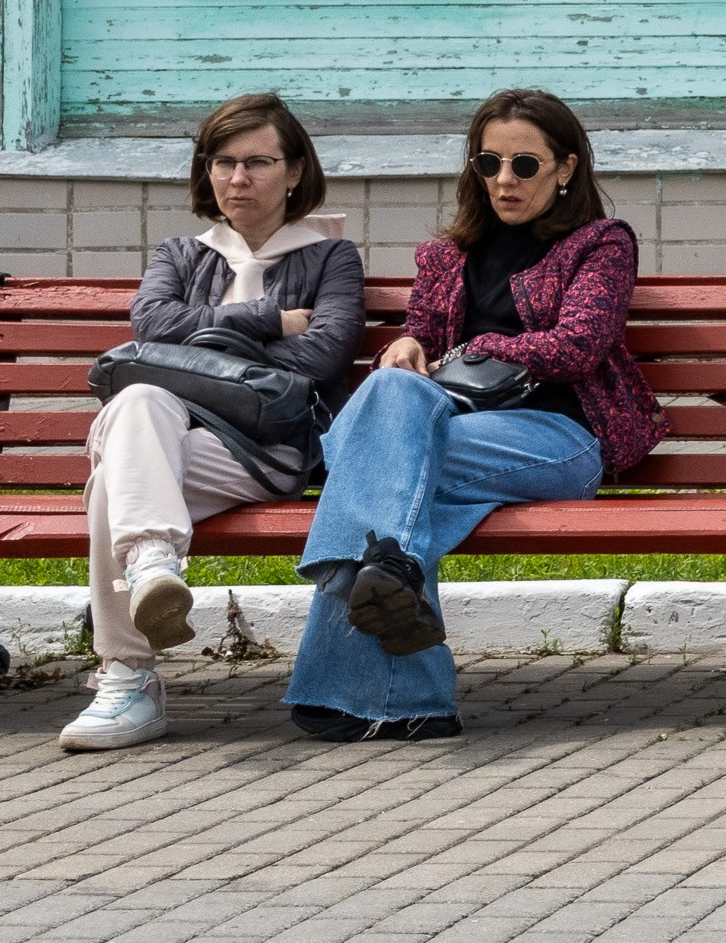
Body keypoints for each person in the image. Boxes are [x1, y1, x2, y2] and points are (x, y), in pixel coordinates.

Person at [285, 88, 667, 741]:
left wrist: (479, 347)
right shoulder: (446, 254)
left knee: (377, 461)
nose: (503, 180)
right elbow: (422, 336)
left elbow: (579, 346)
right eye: (488, 163)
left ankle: (351, 683)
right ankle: (415, 690)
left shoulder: (599, 244)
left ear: (566, 167)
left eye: (524, 165)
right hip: (453, 429)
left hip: (558, 436)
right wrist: (405, 346)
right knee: (397, 432)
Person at [59, 94, 367, 752]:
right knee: (137, 413)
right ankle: (151, 571)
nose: (237, 177)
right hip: (172, 445)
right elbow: (150, 326)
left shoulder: (330, 258)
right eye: (222, 161)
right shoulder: (180, 253)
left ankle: (128, 678)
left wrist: (198, 348)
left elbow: (320, 356)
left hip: (266, 451)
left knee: (121, 462)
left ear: (294, 171)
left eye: (257, 161)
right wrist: (268, 322)